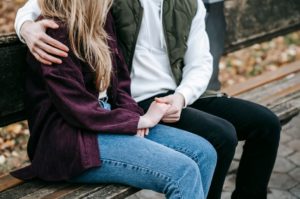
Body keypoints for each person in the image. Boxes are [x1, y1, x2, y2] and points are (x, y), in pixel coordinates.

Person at [15, 0, 281, 198]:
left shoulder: (104, 18)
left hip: (146, 103)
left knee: (211, 149)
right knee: (190, 165)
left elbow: (197, 63)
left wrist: (179, 98)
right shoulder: (57, 34)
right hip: (79, 135)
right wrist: (26, 27)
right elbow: (79, 109)